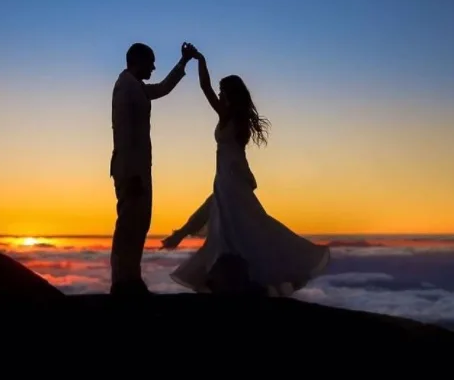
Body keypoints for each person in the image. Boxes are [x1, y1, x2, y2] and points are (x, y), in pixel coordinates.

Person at [167, 46, 330, 296]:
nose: (219, 95)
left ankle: (232, 281)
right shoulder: (236, 118)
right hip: (229, 178)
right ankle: (231, 280)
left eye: (223, 92)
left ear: (230, 94)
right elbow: (210, 92)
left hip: (230, 180)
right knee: (236, 231)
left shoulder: (229, 117)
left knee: (236, 231)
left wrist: (199, 60)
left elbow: (205, 88)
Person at [109, 41, 196, 297]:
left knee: (138, 224)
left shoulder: (134, 86)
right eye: (151, 62)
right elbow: (124, 133)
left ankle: (130, 279)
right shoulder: (126, 87)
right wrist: (133, 174)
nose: (154, 67)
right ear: (139, 60)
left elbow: (162, 89)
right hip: (130, 170)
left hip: (136, 169)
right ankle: (123, 283)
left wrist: (183, 63)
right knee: (129, 226)